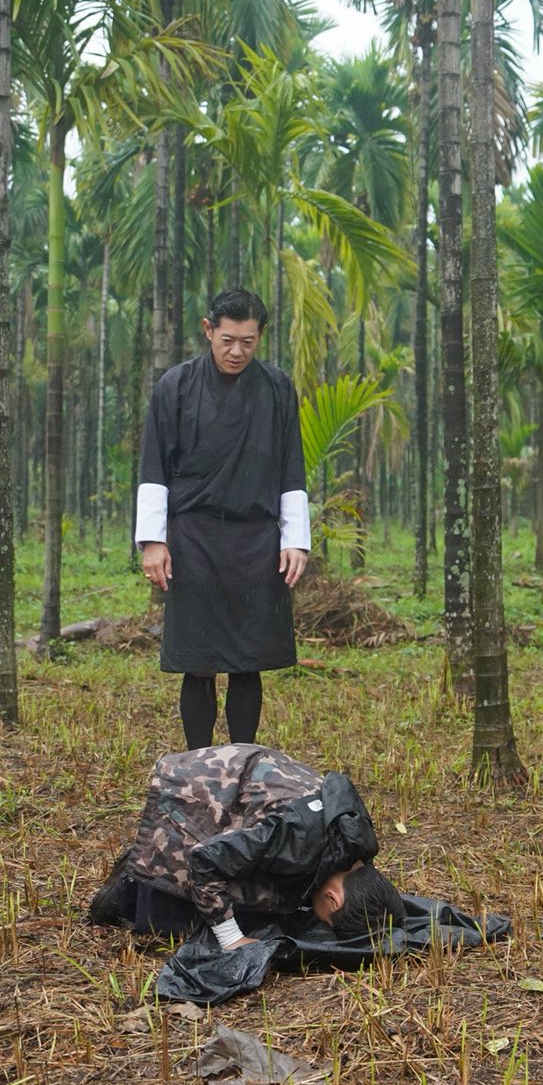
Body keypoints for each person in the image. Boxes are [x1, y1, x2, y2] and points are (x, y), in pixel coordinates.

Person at [137, 289, 309, 750]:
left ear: (260, 337)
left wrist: (295, 539)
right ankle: (198, 762)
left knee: (247, 658)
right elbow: (153, 466)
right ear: (208, 329)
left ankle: (242, 759)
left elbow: (291, 465)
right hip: (193, 537)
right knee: (198, 658)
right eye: (228, 339)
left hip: (256, 540)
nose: (237, 352)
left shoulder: (277, 388)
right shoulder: (174, 387)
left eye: (248, 342)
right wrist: (153, 541)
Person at [87, 743, 404, 947]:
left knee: (274, 890)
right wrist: (232, 938)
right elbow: (205, 861)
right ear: (333, 900)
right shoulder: (294, 841)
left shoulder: (358, 843)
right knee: (171, 920)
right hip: (202, 786)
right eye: (325, 919)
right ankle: (129, 884)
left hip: (254, 780)